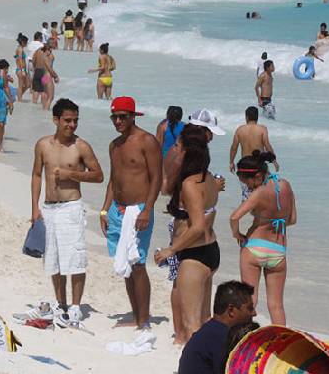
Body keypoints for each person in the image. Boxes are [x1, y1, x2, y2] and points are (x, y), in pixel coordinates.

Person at [29, 99, 103, 326]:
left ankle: (75, 306)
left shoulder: (81, 147)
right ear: (56, 120)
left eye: (75, 121)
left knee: (75, 258)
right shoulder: (43, 145)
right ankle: (60, 303)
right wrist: (34, 207)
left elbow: (98, 175)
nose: (72, 125)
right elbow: (36, 175)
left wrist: (72, 175)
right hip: (49, 208)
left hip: (71, 207)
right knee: (54, 259)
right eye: (67, 120)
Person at [101, 97, 162, 336]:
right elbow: (113, 180)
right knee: (125, 265)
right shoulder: (114, 145)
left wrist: (147, 209)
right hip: (117, 209)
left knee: (138, 264)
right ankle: (136, 315)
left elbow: (157, 178)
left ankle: (144, 320)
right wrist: (104, 210)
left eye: (123, 116)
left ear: (133, 116)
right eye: (114, 117)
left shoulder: (147, 141)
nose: (118, 121)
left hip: (139, 210)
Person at [156, 137, 221, 343]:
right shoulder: (208, 178)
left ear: (186, 154)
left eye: (177, 147)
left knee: (192, 325)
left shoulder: (189, 184)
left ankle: (196, 373)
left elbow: (197, 226)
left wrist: (171, 250)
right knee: (204, 320)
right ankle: (209, 369)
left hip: (194, 255)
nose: (173, 149)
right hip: (210, 250)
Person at [176, 281, 256, 374]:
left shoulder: (208, 331)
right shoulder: (223, 339)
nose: (254, 313)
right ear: (231, 310)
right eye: (249, 308)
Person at [230, 151, 295, 325]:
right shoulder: (286, 186)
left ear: (258, 175)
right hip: (278, 251)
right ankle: (281, 346)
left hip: (254, 248)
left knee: (249, 301)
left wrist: (237, 235)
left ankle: (243, 341)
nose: (248, 188)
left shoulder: (259, 193)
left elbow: (234, 217)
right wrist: (273, 222)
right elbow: (292, 220)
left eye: (248, 183)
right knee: (276, 306)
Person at [229, 106, 278, 187]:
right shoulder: (262, 129)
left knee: (246, 194)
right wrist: (273, 160)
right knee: (262, 192)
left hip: (245, 166)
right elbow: (267, 146)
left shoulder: (240, 130)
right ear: (257, 117)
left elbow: (234, 147)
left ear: (246, 117)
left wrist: (231, 162)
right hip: (259, 165)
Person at [31, 42, 58, 111]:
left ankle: (44, 109)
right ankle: (46, 110)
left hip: (44, 76)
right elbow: (50, 68)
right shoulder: (49, 57)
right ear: (48, 49)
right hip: (48, 76)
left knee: (45, 94)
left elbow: (34, 60)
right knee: (51, 97)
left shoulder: (43, 56)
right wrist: (55, 76)